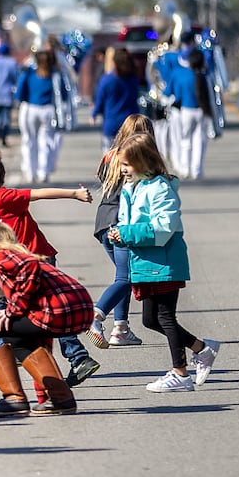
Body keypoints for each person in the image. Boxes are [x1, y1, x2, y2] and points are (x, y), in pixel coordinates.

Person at [0, 150, 101, 387]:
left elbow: (37, 194)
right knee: (38, 311)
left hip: (36, 261)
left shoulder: (5, 196)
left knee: (0, 301)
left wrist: (74, 194)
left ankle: (8, 350)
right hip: (26, 266)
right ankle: (77, 358)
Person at [107, 133, 219, 393]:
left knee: (165, 317)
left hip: (165, 263)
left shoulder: (160, 188)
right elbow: (131, 223)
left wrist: (126, 234)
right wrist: (120, 232)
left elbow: (163, 228)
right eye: (121, 164)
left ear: (144, 161)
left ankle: (180, 373)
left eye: (127, 164)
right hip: (146, 262)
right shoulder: (131, 187)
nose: (123, 170)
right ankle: (202, 348)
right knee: (150, 320)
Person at [0, 221, 93, 417]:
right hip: (77, 310)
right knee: (16, 338)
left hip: (58, 311)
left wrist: (11, 312)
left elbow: (28, 268)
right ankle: (61, 399)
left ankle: (13, 399)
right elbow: (41, 341)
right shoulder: (16, 255)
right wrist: (43, 397)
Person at [85, 115, 152, 350]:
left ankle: (121, 328)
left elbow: (103, 180)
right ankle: (97, 315)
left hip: (103, 221)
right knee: (128, 276)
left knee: (123, 275)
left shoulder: (110, 155)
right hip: (121, 222)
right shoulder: (138, 159)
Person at [14, 49, 71, 184]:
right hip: (48, 110)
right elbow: (63, 94)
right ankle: (43, 172)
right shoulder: (55, 75)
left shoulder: (29, 74)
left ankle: (30, 172)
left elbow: (19, 93)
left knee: (28, 141)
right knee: (45, 141)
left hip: (30, 108)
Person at [162, 45, 213, 179]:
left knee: (185, 141)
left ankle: (185, 169)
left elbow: (171, 93)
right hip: (201, 111)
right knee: (199, 141)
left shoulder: (180, 74)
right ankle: (197, 170)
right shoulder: (204, 77)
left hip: (185, 111)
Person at [92, 47, 141, 153]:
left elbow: (100, 99)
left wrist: (94, 114)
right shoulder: (133, 79)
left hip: (111, 123)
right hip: (130, 123)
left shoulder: (107, 80)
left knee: (110, 160)